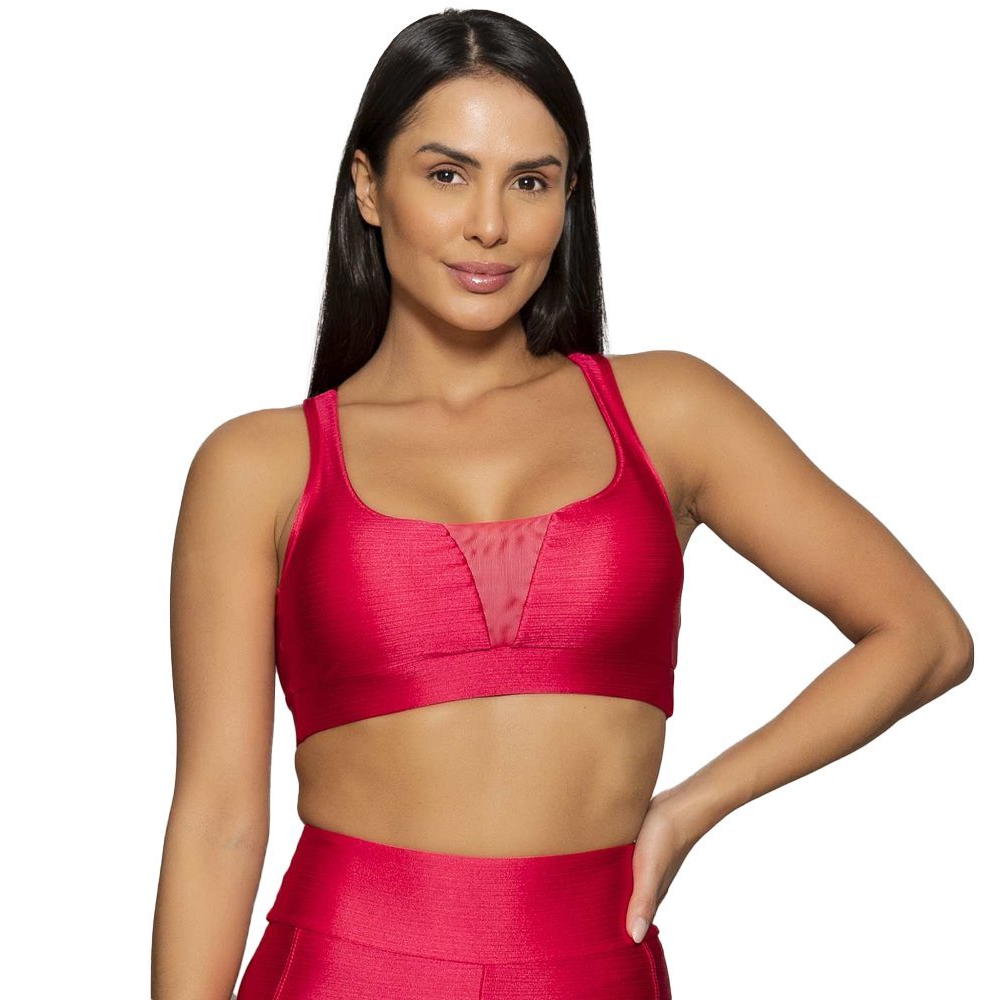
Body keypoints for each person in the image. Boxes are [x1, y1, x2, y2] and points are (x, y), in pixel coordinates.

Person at [150, 9, 974, 1000]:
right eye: (446, 174)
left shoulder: (671, 412)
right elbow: (219, 819)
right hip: (343, 970)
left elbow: (923, 637)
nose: (489, 224)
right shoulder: (259, 465)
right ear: (368, 186)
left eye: (530, 181)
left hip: (592, 971)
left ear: (569, 197)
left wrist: (688, 810)